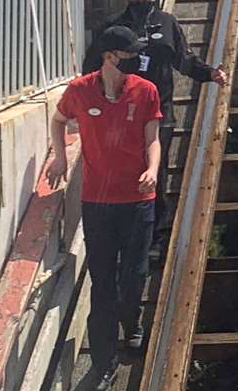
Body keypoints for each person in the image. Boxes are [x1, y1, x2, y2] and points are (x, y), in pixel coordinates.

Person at [47, 26, 161, 387]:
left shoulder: (146, 92)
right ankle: (103, 361)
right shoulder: (79, 91)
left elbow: (153, 140)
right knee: (102, 283)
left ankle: (133, 320)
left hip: (138, 200)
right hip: (97, 202)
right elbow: (58, 119)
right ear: (111, 56)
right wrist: (61, 158)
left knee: (135, 274)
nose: (137, 61)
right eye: (130, 55)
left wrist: (153, 169)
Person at [84, 0, 227, 239]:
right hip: (119, 113)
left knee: (156, 169)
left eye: (147, 1)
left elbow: (185, 60)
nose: (143, 7)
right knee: (123, 167)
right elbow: (92, 67)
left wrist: (210, 74)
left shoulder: (166, 23)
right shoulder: (114, 27)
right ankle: (125, 227)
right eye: (138, 1)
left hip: (158, 110)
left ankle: (156, 231)